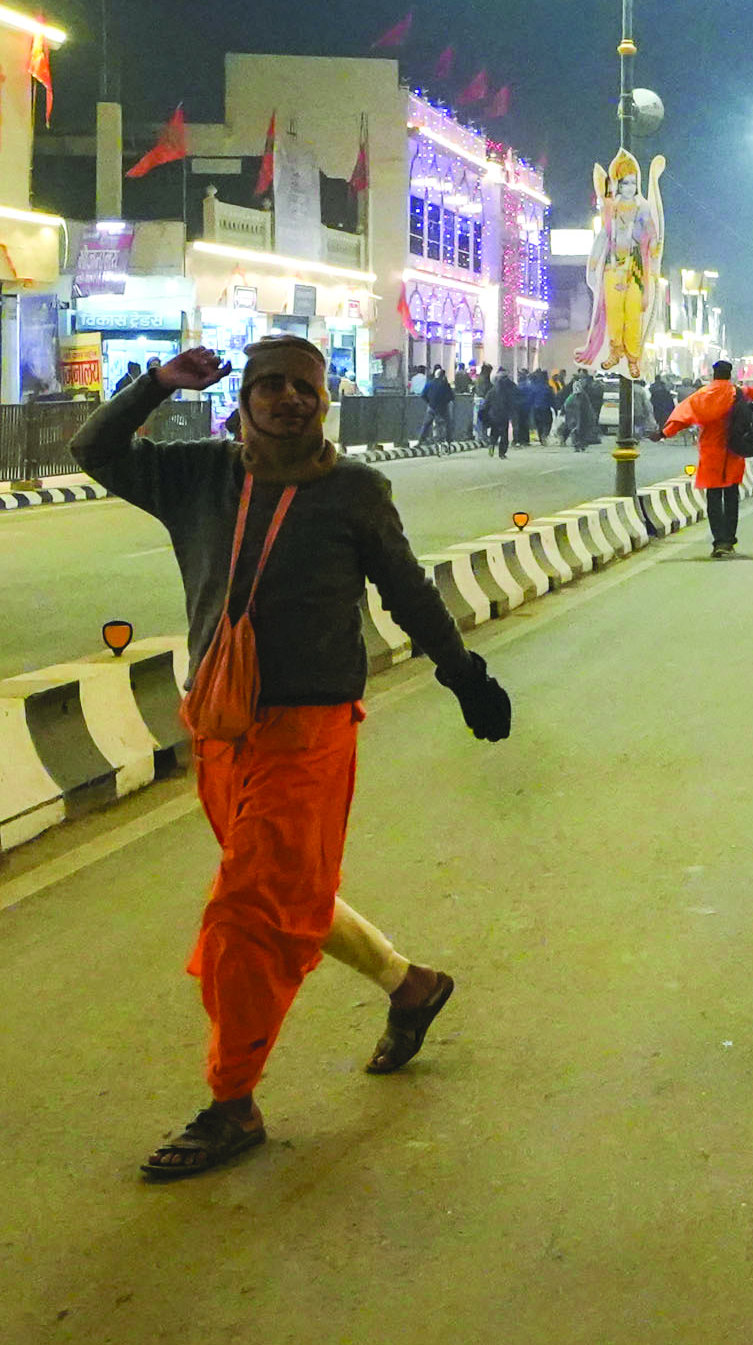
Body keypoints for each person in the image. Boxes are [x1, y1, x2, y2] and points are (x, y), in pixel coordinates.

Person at [76, 336, 505, 1180]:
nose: (285, 400)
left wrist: (465, 675)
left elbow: (408, 591)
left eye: (302, 387)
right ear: (244, 396)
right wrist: (158, 383)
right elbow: (94, 449)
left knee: (246, 913)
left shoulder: (355, 492)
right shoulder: (198, 476)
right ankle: (410, 985)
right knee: (288, 893)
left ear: (324, 397)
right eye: (268, 385)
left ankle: (231, 1101)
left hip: (308, 733)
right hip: (221, 728)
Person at [666, 358, 753, 555]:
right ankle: (728, 541)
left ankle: (718, 541)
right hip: (734, 454)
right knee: (732, 497)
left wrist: (663, 433)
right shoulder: (739, 393)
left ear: (713, 374)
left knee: (714, 499)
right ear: (730, 374)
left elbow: (682, 416)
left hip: (711, 455)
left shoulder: (702, 395)